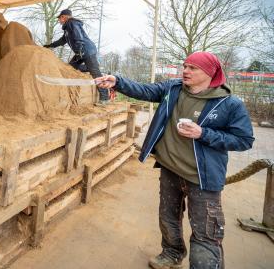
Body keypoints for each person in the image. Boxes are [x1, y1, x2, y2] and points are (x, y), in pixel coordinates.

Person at [95, 51, 254, 269]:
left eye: (192, 68)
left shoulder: (229, 104)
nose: (185, 71)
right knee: (168, 216)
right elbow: (145, 90)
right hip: (170, 169)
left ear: (209, 72)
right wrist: (117, 82)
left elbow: (244, 139)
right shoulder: (173, 88)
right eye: (185, 66)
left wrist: (203, 134)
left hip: (202, 177)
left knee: (205, 231)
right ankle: (172, 253)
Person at [43, 9, 109, 103]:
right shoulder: (67, 29)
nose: (59, 21)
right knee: (70, 67)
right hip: (80, 52)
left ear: (64, 17)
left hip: (87, 50)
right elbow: (62, 41)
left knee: (96, 74)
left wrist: (79, 49)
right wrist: (50, 46)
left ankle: (105, 97)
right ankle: (91, 67)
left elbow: (78, 37)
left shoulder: (72, 23)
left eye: (59, 19)